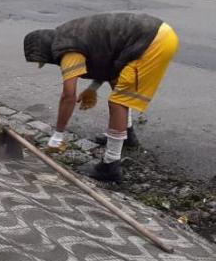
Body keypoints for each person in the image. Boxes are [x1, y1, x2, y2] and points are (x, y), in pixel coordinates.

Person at [23, 13, 179, 183]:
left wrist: (57, 135)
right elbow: (107, 59)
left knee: (118, 102)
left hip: (152, 41)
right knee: (117, 83)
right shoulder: (68, 35)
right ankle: (127, 134)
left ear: (43, 49)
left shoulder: (67, 50)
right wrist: (93, 88)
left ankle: (110, 165)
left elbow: (68, 95)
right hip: (156, 34)